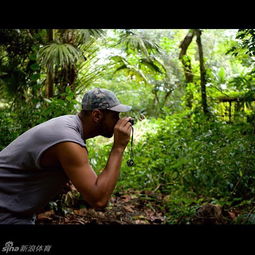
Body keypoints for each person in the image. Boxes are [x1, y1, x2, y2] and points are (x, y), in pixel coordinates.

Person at [0, 88, 132, 224]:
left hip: (16, 212)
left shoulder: (69, 125)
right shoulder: (68, 139)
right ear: (97, 115)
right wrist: (118, 147)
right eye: (115, 116)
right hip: (6, 214)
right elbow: (98, 200)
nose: (119, 121)